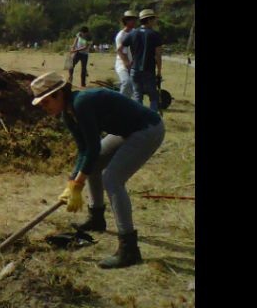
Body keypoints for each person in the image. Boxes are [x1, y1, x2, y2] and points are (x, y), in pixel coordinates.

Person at [30, 71, 165, 268]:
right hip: (126, 130)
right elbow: (84, 150)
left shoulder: (82, 103)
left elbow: (93, 147)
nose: (44, 107)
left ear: (59, 94)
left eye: (45, 102)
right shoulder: (68, 115)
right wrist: (72, 183)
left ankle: (129, 249)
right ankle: (96, 219)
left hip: (148, 128)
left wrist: (78, 184)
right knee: (93, 166)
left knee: (112, 179)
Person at [119, 9, 164, 112]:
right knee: (153, 96)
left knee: (138, 95)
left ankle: (139, 118)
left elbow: (120, 49)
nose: (155, 21)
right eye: (153, 19)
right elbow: (158, 55)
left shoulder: (133, 33)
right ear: (149, 20)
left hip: (135, 69)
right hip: (148, 70)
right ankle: (152, 118)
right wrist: (159, 71)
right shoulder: (155, 35)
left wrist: (127, 62)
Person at [114, 11, 138, 97]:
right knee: (127, 82)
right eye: (132, 19)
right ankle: (120, 102)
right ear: (126, 21)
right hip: (122, 64)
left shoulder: (135, 33)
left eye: (135, 19)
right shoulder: (121, 35)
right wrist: (128, 66)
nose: (134, 21)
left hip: (134, 64)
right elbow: (121, 53)